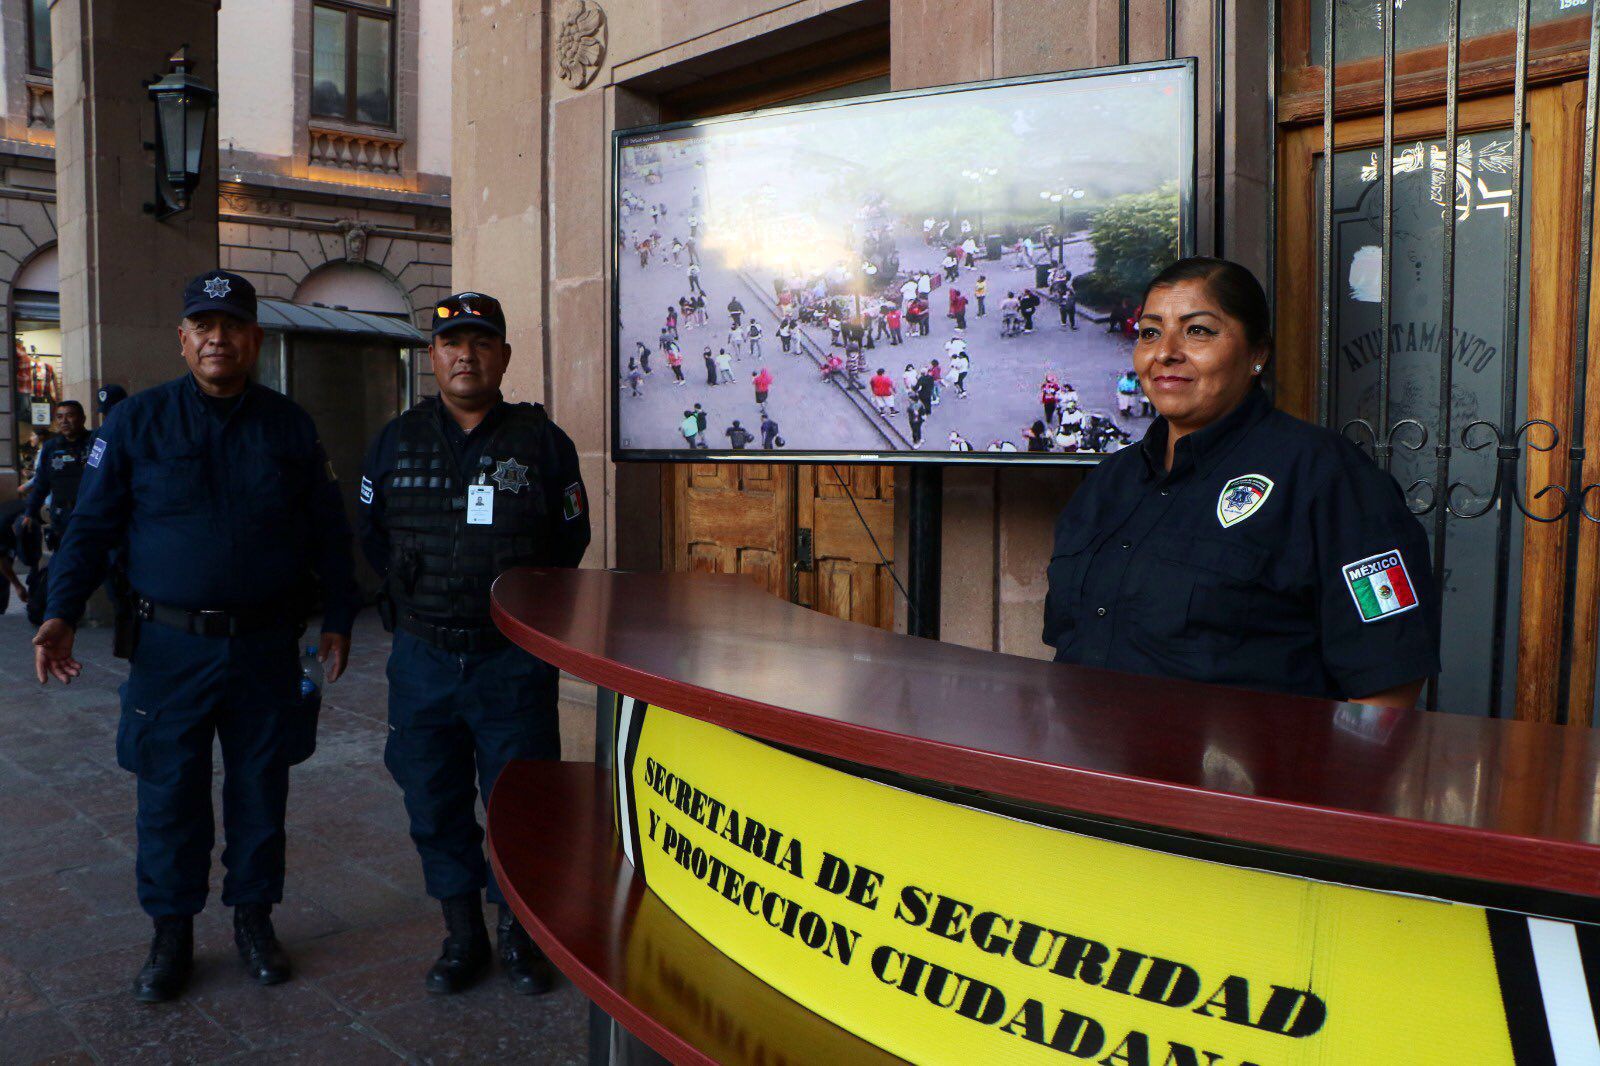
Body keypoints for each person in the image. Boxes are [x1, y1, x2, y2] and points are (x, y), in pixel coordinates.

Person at [34, 270, 358, 1003]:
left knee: (258, 790)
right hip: (169, 650)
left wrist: (339, 615)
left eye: (232, 325)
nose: (218, 338)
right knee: (168, 794)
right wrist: (59, 611)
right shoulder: (134, 425)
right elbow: (89, 529)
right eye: (203, 326)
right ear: (183, 341)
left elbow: (328, 534)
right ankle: (171, 935)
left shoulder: (290, 427)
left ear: (255, 339)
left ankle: (253, 921)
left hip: (263, 648)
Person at [1042, 257, 1440, 706]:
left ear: (1257, 354)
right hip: (1085, 766)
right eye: (1149, 332)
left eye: (1198, 331)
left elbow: (1388, 686)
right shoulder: (1108, 484)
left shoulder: (1326, 477)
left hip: (1243, 775)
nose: (1165, 351)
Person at [359, 290, 589, 996]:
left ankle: (521, 934)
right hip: (424, 658)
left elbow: (569, 539)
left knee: (519, 806)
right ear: (433, 356)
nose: (466, 354)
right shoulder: (397, 440)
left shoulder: (544, 444)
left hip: (510, 664)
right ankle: (462, 934)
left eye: (482, 341)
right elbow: (370, 536)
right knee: (433, 799)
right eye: (453, 342)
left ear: (504, 356)